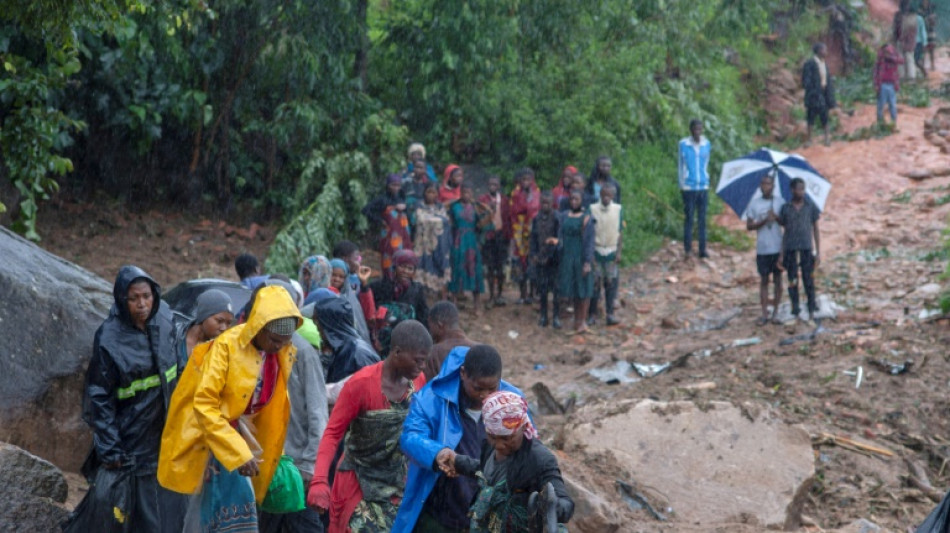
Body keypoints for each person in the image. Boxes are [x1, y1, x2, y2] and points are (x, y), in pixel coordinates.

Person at [158, 285, 303, 531]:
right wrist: (238, 452)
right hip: (208, 445)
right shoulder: (225, 348)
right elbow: (204, 405)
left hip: (242, 450)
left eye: (284, 342)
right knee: (203, 520)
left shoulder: (277, 355)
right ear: (260, 327)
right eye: (276, 341)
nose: (280, 347)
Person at [79, 265, 186, 532]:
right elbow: (98, 397)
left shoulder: (164, 319)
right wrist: (111, 447)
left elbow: (177, 372)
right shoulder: (109, 338)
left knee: (168, 511)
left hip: (165, 437)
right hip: (131, 442)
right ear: (122, 300)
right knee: (131, 515)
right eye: (134, 298)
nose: (142, 304)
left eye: (147, 296)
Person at [306, 321, 432, 533]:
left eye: (425, 361)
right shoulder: (361, 384)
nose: (422, 367)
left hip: (395, 486)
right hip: (358, 483)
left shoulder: (418, 382)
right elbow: (332, 433)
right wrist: (319, 480)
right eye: (418, 361)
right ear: (397, 352)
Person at [393, 344, 525, 533]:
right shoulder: (432, 398)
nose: (485, 396)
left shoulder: (513, 403)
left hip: (492, 515)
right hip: (441, 512)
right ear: (463, 373)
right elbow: (410, 437)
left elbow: (530, 448)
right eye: (478, 388)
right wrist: (437, 452)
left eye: (492, 389)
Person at [460, 391, 574, 532]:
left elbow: (565, 503)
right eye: (492, 437)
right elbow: (486, 471)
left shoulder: (539, 459)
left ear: (524, 427)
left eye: (507, 438)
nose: (499, 445)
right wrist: (458, 462)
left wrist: (552, 508)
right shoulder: (489, 446)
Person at [371, 249, 430, 357]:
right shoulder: (379, 286)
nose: (405, 271)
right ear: (394, 266)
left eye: (410, 268)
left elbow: (423, 317)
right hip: (380, 342)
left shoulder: (416, 291)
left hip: (406, 341)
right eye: (402, 266)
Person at [778, 178, 821, 324]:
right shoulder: (786, 208)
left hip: (806, 248)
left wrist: (818, 251)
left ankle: (811, 309)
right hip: (790, 248)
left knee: (809, 279)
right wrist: (781, 254)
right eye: (798, 189)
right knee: (792, 280)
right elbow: (784, 231)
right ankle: (795, 309)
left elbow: (815, 228)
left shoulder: (810, 206)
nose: (800, 192)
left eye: (802, 189)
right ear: (791, 190)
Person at [744, 174, 785, 326]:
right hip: (762, 248)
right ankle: (764, 313)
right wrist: (763, 221)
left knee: (778, 280)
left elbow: (786, 223)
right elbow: (749, 226)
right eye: (763, 184)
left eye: (768, 184)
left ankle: (775, 313)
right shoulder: (754, 204)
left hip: (777, 247)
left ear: (773, 186)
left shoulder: (780, 203)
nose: (765, 187)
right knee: (764, 281)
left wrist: (776, 218)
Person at [313, 293, 381, 384]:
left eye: (318, 323)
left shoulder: (359, 353)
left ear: (330, 325)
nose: (317, 329)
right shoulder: (341, 349)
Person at [558, 190, 595, 335]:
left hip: (581, 255)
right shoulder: (564, 215)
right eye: (572, 199)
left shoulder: (587, 218)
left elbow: (590, 241)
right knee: (573, 288)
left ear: (582, 201)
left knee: (584, 288)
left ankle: (583, 320)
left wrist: (588, 261)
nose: (574, 202)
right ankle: (576, 320)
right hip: (568, 256)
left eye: (577, 199)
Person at [363, 174, 412, 279]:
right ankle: (388, 281)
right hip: (390, 235)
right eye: (393, 185)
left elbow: (407, 215)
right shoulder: (382, 199)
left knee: (404, 258)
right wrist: (380, 221)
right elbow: (366, 210)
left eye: (398, 185)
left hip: (403, 235)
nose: (396, 188)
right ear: (388, 185)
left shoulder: (402, 198)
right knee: (389, 258)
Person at [448, 184, 487, 315]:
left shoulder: (475, 208)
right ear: (460, 193)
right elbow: (448, 220)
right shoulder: (454, 207)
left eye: (469, 193)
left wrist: (479, 204)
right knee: (456, 268)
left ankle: (477, 305)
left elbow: (486, 220)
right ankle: (453, 304)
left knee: (474, 270)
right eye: (464, 192)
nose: (466, 195)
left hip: (472, 241)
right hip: (458, 241)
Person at [589, 184, 623, 327]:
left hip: (611, 250)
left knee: (610, 283)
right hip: (596, 250)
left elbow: (620, 232)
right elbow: (589, 232)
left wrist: (619, 252)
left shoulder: (618, 210)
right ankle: (592, 314)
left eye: (609, 195)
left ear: (613, 196)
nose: (606, 198)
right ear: (600, 195)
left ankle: (610, 314)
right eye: (603, 195)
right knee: (595, 284)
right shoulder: (592, 209)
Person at [172, 288, 234, 368]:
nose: (224, 328)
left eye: (229, 323)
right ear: (203, 316)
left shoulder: (222, 349)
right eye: (219, 321)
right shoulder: (174, 336)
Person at [679, 118, 712, 259]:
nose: (697, 132)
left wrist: (706, 180)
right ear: (691, 130)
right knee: (689, 219)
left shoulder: (707, 144)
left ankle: (702, 249)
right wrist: (682, 184)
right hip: (689, 187)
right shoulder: (683, 144)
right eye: (695, 129)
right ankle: (687, 249)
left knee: (702, 220)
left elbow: (706, 163)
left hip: (703, 186)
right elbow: (680, 166)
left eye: (700, 129)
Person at [413, 183, 453, 298]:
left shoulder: (440, 207)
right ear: (424, 193)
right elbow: (420, 219)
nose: (431, 195)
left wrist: (434, 220)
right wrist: (437, 220)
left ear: (437, 194)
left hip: (440, 246)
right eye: (428, 192)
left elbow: (446, 221)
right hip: (423, 246)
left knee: (441, 270)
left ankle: (442, 299)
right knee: (422, 270)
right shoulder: (418, 206)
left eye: (433, 192)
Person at [332, 240, 374, 345]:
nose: (359, 262)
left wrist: (364, 285)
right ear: (345, 259)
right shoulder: (331, 283)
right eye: (356, 258)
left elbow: (368, 312)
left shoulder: (357, 280)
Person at [479, 176, 512, 307]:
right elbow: (479, 218)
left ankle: (500, 294)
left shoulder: (504, 200)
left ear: (499, 186)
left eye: (495, 184)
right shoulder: (483, 200)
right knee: (490, 268)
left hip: (501, 237)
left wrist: (509, 239)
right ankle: (491, 295)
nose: (493, 186)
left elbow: (508, 220)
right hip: (488, 237)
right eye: (491, 184)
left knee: (501, 268)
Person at [529, 192, 561, 329]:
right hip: (540, 259)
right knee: (542, 289)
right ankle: (543, 316)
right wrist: (534, 254)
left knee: (556, 289)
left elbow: (559, 239)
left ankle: (556, 317)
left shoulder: (557, 218)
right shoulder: (536, 219)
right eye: (543, 202)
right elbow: (533, 238)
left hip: (554, 259)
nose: (545, 205)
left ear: (552, 203)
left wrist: (551, 255)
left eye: (547, 203)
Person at [509, 168, 541, 304]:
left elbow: (537, 209)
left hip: (533, 231)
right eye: (523, 180)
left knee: (533, 261)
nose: (526, 182)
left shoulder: (536, 193)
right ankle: (522, 294)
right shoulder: (515, 194)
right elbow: (513, 210)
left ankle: (532, 294)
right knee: (520, 263)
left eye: (528, 179)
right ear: (520, 181)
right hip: (519, 230)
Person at [423, 301, 476, 381]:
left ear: (439, 325)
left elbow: (427, 389)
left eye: (430, 326)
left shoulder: (433, 353)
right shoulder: (480, 349)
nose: (429, 330)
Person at [802, 43, 836, 147]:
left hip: (824, 93)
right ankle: (809, 140)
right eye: (824, 50)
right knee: (811, 116)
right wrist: (812, 90)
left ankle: (826, 139)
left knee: (824, 115)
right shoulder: (810, 63)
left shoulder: (824, 64)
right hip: (814, 94)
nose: (826, 52)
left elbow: (827, 79)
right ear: (818, 51)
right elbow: (805, 80)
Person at [873, 42, 903, 128]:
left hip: (892, 85)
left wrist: (891, 58)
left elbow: (901, 60)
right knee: (881, 105)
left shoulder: (894, 58)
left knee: (892, 105)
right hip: (882, 85)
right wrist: (876, 84)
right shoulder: (880, 60)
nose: (887, 54)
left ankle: (893, 123)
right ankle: (880, 123)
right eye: (885, 53)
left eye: (889, 53)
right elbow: (875, 72)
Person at [895, 7, 918, 80]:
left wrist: (902, 39)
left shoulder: (908, 21)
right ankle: (910, 76)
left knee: (906, 59)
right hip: (908, 42)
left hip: (906, 42)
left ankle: (906, 75)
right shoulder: (913, 21)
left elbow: (904, 33)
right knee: (909, 59)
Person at [915, 7, 929, 78]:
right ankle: (923, 73)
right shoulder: (920, 19)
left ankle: (925, 73)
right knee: (917, 60)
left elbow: (923, 32)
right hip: (917, 43)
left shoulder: (919, 19)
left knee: (916, 61)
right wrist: (924, 43)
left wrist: (924, 43)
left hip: (918, 43)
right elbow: (923, 32)